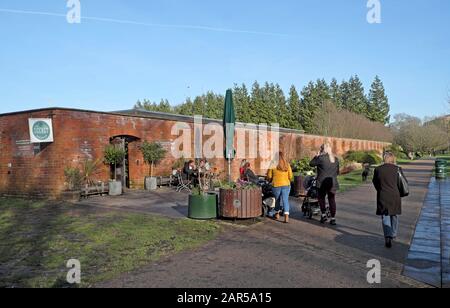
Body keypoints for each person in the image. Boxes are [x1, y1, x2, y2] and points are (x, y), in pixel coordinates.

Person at [372, 152, 405, 249]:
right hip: (395, 195)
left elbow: (375, 182)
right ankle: (393, 233)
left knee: (385, 216)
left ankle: (387, 236)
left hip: (383, 195)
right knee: (394, 215)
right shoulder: (397, 169)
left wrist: (381, 189)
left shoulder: (378, 169)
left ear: (384, 158)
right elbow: (401, 182)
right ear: (393, 159)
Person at [310, 143, 340, 226]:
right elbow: (337, 172)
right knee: (332, 200)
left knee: (321, 198)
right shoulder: (335, 159)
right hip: (332, 182)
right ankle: (333, 218)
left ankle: (323, 215)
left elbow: (311, 164)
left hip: (321, 183)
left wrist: (316, 155)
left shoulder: (320, 158)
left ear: (322, 150)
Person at [267, 152, 294, 223]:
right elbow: (291, 176)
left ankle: (277, 214)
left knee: (277, 200)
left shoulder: (272, 164)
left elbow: (269, 176)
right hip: (286, 185)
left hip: (276, 185)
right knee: (285, 200)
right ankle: (286, 217)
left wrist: (269, 179)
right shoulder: (287, 165)